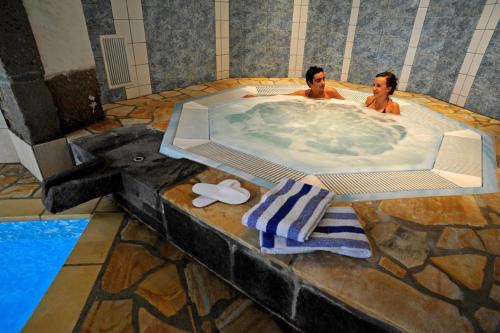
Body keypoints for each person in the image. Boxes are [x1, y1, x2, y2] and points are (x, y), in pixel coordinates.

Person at [244, 66, 344, 100]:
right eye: (318, 80)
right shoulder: (303, 95)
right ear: (309, 84)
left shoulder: (331, 93)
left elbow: (348, 104)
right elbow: (281, 96)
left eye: (323, 79)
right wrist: (256, 97)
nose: (323, 83)